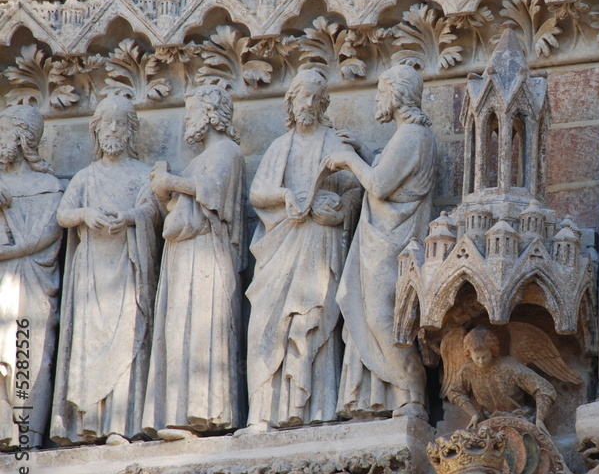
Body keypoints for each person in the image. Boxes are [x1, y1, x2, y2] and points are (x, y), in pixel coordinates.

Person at [241, 68, 361, 434]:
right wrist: (286, 195)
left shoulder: (335, 143)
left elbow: (356, 190)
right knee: (267, 323)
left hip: (319, 242)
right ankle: (261, 414)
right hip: (283, 242)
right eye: (301, 96)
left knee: (310, 320)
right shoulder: (282, 146)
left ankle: (317, 410)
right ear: (290, 101)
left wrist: (340, 209)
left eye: (315, 97)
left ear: (323, 103)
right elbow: (258, 194)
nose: (307, 103)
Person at [326, 63, 436, 420]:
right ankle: (405, 394)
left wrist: (348, 159)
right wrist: (364, 151)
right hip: (384, 239)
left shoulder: (411, 137)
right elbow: (388, 171)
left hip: (392, 242)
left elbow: (378, 185)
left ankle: (415, 395)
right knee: (380, 317)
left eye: (380, 91)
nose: (376, 98)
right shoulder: (407, 136)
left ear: (396, 95)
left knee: (384, 318)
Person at [51, 95, 161, 445]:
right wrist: (85, 214)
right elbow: (63, 215)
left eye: (120, 123)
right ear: (96, 131)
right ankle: (89, 424)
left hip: (128, 268)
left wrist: (130, 217)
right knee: (90, 343)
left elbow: (154, 214)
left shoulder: (143, 175)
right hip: (92, 272)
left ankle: (120, 423)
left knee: (129, 337)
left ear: (131, 132)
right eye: (106, 123)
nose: (113, 129)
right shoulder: (86, 177)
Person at [143, 85, 247, 440]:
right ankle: (176, 412)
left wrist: (171, 182)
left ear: (211, 113)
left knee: (201, 329)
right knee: (178, 329)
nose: (188, 119)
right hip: (182, 254)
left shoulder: (226, 151)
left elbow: (213, 191)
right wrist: (162, 192)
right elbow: (179, 203)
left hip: (207, 252)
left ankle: (203, 413)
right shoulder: (195, 161)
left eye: (192, 112)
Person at [0, 106, 63, 448]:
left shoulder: (47, 186)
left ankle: (27, 433)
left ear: (24, 138)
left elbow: (47, 235)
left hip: (31, 286)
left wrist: (12, 250)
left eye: (4, 132)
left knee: (29, 351)